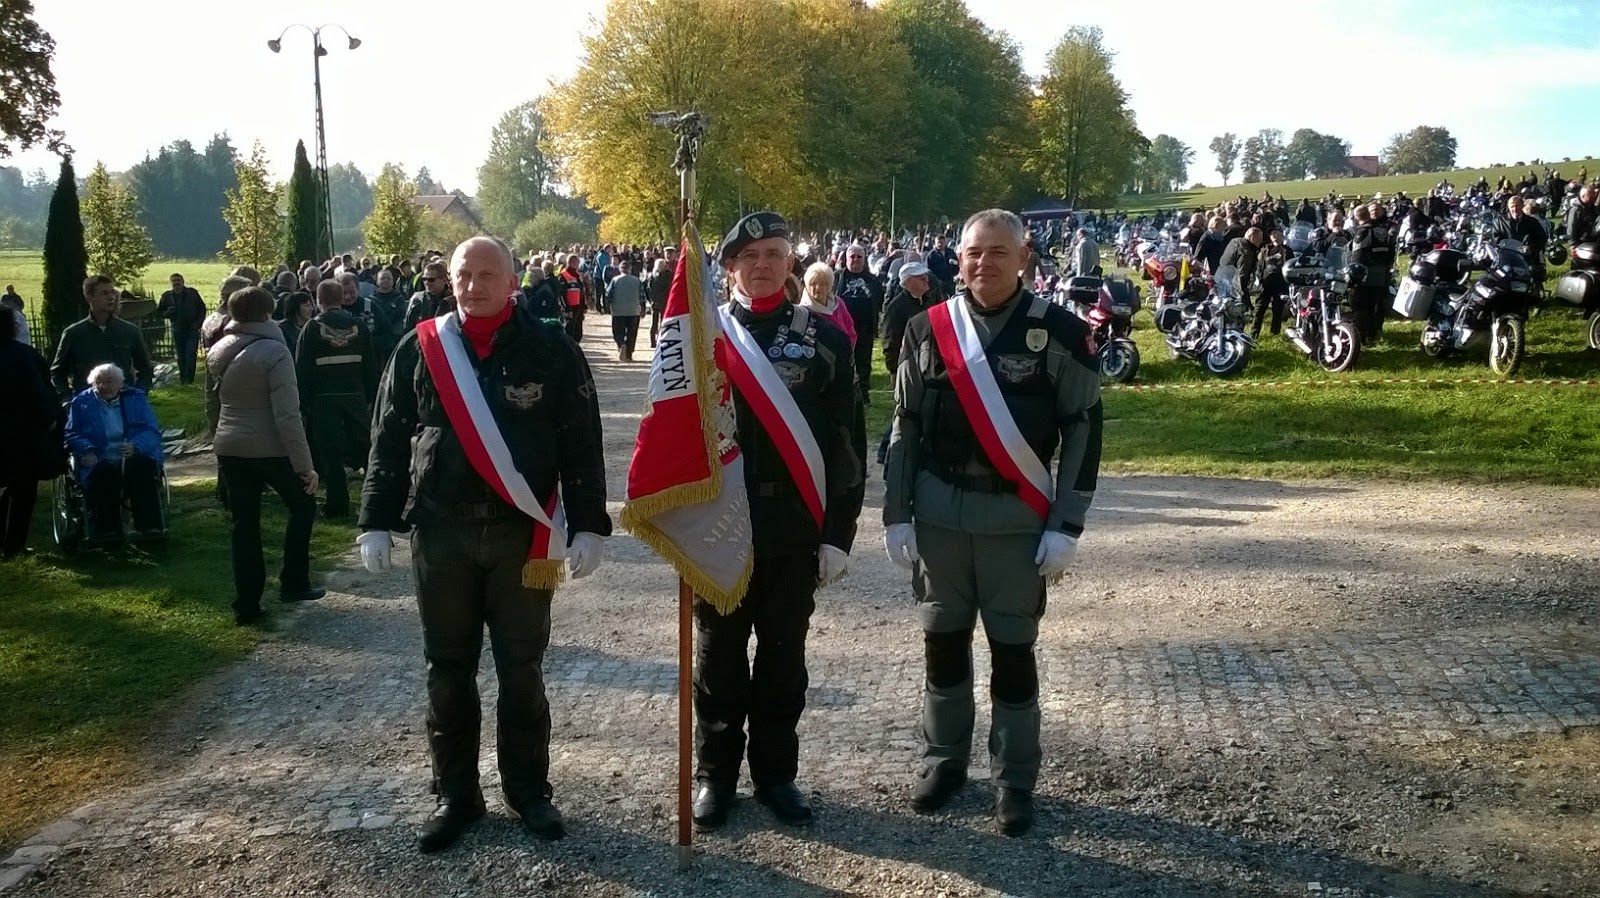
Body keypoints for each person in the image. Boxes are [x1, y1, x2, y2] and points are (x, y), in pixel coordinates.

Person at [357, 236, 611, 854]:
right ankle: (456, 795)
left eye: (487, 274)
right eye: (463, 275)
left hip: (519, 535)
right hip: (440, 534)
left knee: (522, 671)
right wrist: (375, 519)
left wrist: (589, 524)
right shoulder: (420, 348)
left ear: (513, 279)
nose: (473, 286)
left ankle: (528, 791)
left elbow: (580, 439)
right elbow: (388, 435)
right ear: (450, 280)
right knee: (447, 672)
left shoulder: (550, 348)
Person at [883, 209, 1102, 837]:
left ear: (1024, 256)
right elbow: (905, 425)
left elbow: (1084, 428)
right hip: (940, 520)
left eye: (998, 252)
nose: (984, 263)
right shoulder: (927, 329)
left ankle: (1014, 779)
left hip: (1015, 521)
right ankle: (943, 762)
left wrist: (1067, 523)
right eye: (974, 253)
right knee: (943, 644)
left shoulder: (1061, 332)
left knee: (1012, 650)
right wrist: (897, 513)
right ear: (959, 258)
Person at [691, 212, 866, 832]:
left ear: (791, 263)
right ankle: (715, 776)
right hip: (720, 526)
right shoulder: (698, 339)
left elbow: (847, 442)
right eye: (749, 256)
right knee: (718, 660)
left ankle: (775, 776)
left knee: (783, 659)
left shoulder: (825, 340)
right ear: (729, 268)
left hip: (793, 525)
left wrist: (839, 535)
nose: (762, 265)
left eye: (773, 254)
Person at [208, 287, 323, 625]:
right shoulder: (275, 351)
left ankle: (247, 604)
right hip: (269, 447)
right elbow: (287, 414)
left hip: (230, 446)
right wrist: (305, 466)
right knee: (303, 506)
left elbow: (213, 404)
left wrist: (219, 439)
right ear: (267, 313)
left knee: (244, 525)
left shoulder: (219, 349)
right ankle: (294, 582)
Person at [297, 280, 378, 520]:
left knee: (331, 454)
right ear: (342, 298)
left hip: (323, 399)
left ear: (318, 300)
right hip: (355, 396)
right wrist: (370, 396)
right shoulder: (359, 325)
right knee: (366, 450)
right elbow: (371, 364)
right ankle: (374, 503)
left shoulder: (311, 328)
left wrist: (304, 403)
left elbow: (302, 369)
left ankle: (337, 505)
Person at [64, 363, 165, 543]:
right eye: (99, 382)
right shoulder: (81, 402)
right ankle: (108, 530)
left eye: (110, 381)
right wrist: (87, 449)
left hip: (133, 453)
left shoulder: (136, 398)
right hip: (99, 455)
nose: (104, 386)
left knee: (142, 469)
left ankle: (150, 527)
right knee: (103, 474)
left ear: (121, 383)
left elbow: (152, 431)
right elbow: (71, 433)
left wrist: (136, 445)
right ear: (92, 383)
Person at [0, 305, 62, 557]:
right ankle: (13, 546)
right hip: (19, 434)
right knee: (23, 491)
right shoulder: (24, 355)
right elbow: (39, 391)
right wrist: (52, 416)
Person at [50, 276, 153, 399]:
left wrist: (138, 394)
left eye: (112, 292)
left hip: (122, 401)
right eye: (104, 293)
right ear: (89, 297)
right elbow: (57, 372)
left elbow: (145, 369)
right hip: (87, 402)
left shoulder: (130, 331)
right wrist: (67, 399)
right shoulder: (74, 333)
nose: (111, 297)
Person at [876, 261, 938, 464]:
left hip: (928, 365)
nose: (926, 280)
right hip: (905, 366)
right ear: (909, 282)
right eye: (921, 277)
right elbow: (889, 339)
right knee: (904, 408)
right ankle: (885, 449)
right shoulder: (897, 307)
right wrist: (894, 369)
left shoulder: (929, 301)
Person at [833, 245, 882, 404]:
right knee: (841, 362)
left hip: (865, 328)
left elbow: (880, 302)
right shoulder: (836, 278)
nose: (855, 260)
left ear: (864, 259)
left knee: (863, 363)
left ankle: (863, 395)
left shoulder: (873, 280)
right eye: (852, 256)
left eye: (859, 257)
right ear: (846, 259)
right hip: (840, 329)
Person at [1349, 203, 1397, 345]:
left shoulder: (1362, 233)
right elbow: (1391, 253)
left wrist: (1352, 276)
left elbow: (1357, 256)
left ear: (1356, 218)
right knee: (1376, 305)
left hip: (1365, 275)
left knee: (1360, 305)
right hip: (1382, 274)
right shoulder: (1383, 231)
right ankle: (1374, 333)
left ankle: (1361, 336)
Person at [157, 273, 207, 384]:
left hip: (192, 330)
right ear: (171, 283)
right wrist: (167, 313)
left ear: (183, 281)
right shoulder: (167, 296)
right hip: (177, 330)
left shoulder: (192, 293)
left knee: (191, 353)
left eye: (178, 280)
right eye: (174, 280)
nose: (176, 282)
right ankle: (183, 379)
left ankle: (189, 379)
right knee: (180, 356)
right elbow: (159, 312)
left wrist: (198, 324)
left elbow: (202, 309)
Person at [799, 261, 857, 348]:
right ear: (807, 286)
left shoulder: (838, 303)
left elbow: (849, 328)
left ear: (829, 285)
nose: (817, 288)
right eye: (813, 284)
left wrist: (848, 349)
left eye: (822, 284)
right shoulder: (803, 312)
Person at [604, 259, 644, 362]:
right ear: (630, 269)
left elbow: (608, 294)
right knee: (632, 333)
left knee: (618, 331)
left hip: (618, 311)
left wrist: (609, 305)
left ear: (620, 269)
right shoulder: (637, 280)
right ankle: (629, 354)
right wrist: (642, 309)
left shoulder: (615, 280)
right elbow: (642, 296)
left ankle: (621, 344)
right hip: (634, 310)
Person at [1217, 227, 1263, 307]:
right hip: (1233, 282)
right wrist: (1246, 300)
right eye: (1259, 239)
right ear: (1252, 237)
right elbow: (1242, 275)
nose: (1261, 241)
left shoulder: (1235, 241)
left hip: (1221, 275)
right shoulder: (1246, 252)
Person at [404, 261, 455, 331]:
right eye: (424, 279)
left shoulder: (453, 301)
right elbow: (408, 328)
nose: (427, 283)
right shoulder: (417, 300)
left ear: (444, 280)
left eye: (431, 280)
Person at [646, 248, 676, 348]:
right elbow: (669, 287)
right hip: (664, 301)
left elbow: (647, 289)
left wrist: (650, 299)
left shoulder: (651, 277)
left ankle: (652, 341)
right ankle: (662, 339)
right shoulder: (667, 276)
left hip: (654, 302)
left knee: (654, 322)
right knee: (663, 321)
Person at [278, 291, 316, 360]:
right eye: (307, 306)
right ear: (296, 308)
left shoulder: (311, 327)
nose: (311, 309)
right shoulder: (282, 329)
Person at [557, 254, 585, 342]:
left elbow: (581, 292)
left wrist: (583, 307)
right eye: (578, 263)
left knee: (578, 333)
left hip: (578, 307)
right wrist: (567, 309)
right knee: (570, 332)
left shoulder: (576, 275)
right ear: (574, 263)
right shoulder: (563, 276)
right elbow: (562, 294)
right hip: (570, 308)